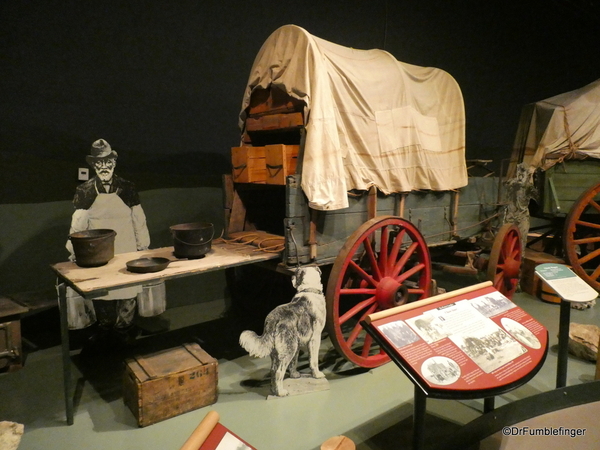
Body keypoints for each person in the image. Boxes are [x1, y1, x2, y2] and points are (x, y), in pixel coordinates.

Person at [65, 138, 153, 349]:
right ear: (93, 165)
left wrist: (143, 245)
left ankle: (124, 329)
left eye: (108, 163)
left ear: (114, 163)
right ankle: (105, 329)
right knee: (102, 291)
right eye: (99, 163)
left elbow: (138, 218)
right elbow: (78, 223)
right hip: (98, 249)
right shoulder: (85, 190)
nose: (104, 167)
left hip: (126, 245)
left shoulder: (127, 188)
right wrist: (74, 249)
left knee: (127, 291)